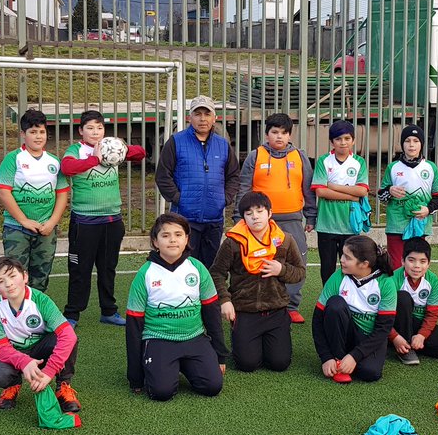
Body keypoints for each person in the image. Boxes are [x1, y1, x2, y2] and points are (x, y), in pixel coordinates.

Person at [61, 110, 147, 326]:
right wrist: (94, 160)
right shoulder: (76, 150)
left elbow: (141, 153)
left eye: (99, 128)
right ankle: (72, 314)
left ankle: (108, 311)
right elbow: (67, 168)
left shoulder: (111, 148)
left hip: (111, 221)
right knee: (80, 269)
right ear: (81, 131)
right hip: (84, 223)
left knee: (108, 268)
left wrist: (122, 147)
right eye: (90, 128)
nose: (95, 132)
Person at [125, 213, 224, 401]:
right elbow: (134, 326)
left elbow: (212, 313)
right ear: (155, 241)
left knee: (213, 386)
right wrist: (135, 376)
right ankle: (164, 366)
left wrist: (220, 356)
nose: (172, 240)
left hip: (194, 337)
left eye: (178, 235)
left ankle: (183, 364)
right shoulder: (145, 274)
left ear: (187, 239)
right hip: (159, 338)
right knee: (161, 392)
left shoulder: (198, 268)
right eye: (165, 235)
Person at [210, 192, 306, 373]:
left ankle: (274, 337)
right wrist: (225, 300)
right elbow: (216, 273)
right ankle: (242, 335)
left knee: (280, 363)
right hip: (245, 310)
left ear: (269, 213)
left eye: (259, 211)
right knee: (247, 364)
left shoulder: (284, 240)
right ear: (243, 217)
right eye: (249, 213)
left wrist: (281, 270)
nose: (255, 216)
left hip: (276, 310)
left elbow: (300, 272)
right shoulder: (233, 243)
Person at [234, 113, 316, 324]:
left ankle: (290, 305)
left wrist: (311, 215)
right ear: (267, 134)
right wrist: (238, 216)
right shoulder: (255, 156)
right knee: (259, 260)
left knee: (296, 260)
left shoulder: (299, 156)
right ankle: (259, 302)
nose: (279, 137)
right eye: (275, 132)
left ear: (290, 135)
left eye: (284, 133)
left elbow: (307, 188)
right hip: (261, 223)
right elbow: (244, 188)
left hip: (293, 220)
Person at [0, 256, 81, 415]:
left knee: (68, 340)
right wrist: (24, 362)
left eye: (12, 276)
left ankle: (63, 385)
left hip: (42, 348)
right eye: (0, 281)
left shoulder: (41, 300)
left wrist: (49, 371)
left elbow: (68, 335)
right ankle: (13, 385)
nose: (8, 284)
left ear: (25, 276)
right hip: (15, 351)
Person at [155, 95, 241, 268]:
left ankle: (209, 296)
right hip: (184, 219)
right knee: (183, 266)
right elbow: (163, 176)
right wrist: (179, 198)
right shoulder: (176, 141)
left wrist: (224, 199)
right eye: (198, 114)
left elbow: (233, 176)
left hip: (214, 219)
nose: (203, 119)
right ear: (190, 117)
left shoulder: (222, 145)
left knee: (211, 267)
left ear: (214, 118)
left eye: (207, 114)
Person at [0, 108, 70, 293]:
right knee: (14, 275)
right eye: (33, 132)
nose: (38, 137)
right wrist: (24, 221)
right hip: (17, 229)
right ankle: (13, 315)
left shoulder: (53, 161)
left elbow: (62, 193)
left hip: (46, 230)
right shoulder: (13, 159)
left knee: (41, 276)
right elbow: (4, 192)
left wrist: (52, 223)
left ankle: (34, 314)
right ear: (23, 134)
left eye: (42, 132)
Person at [312, 235, 397, 384]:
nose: (341, 260)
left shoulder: (385, 283)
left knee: (370, 373)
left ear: (364, 264)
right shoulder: (338, 277)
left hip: (369, 338)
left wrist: (355, 356)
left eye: (347, 257)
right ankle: (338, 359)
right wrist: (326, 357)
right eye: (342, 254)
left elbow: (383, 329)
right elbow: (317, 320)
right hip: (344, 335)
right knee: (335, 305)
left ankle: (349, 359)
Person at [378, 124, 438, 270]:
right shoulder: (393, 167)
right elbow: (381, 195)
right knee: (396, 265)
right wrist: (390, 190)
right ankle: (396, 293)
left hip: (419, 226)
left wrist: (427, 210)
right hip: (396, 226)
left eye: (416, 141)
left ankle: (414, 292)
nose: (411, 145)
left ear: (422, 144)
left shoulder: (430, 167)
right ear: (402, 144)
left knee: (416, 265)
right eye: (407, 140)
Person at [312, 120, 370, 284]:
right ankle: (328, 300)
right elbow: (321, 191)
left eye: (346, 138)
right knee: (327, 268)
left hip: (350, 225)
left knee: (351, 267)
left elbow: (362, 191)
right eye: (338, 139)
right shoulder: (324, 161)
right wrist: (351, 196)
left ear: (353, 140)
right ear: (332, 142)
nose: (343, 142)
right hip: (326, 224)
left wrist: (334, 186)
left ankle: (349, 299)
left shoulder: (359, 162)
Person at [388, 237, 438, 365]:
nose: (417, 266)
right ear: (402, 261)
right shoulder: (392, 279)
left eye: (422, 261)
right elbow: (382, 315)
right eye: (411, 260)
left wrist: (421, 335)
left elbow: (432, 314)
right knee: (403, 298)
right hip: (396, 322)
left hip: (418, 322)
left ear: (429, 264)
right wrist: (394, 336)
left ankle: (410, 342)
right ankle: (403, 348)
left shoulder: (432, 280)